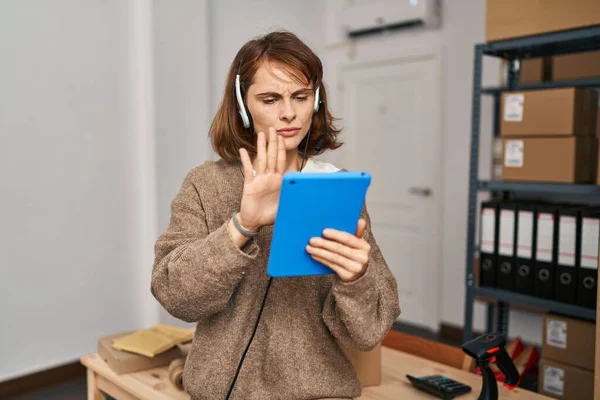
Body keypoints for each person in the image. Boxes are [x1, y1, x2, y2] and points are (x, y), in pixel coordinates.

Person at [151, 30, 400, 400]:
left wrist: (356, 280)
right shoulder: (205, 184)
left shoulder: (335, 188)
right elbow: (175, 296)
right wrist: (242, 225)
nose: (289, 113)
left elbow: (366, 334)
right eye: (270, 99)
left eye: (301, 97)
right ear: (242, 103)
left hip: (318, 393)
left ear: (315, 101)